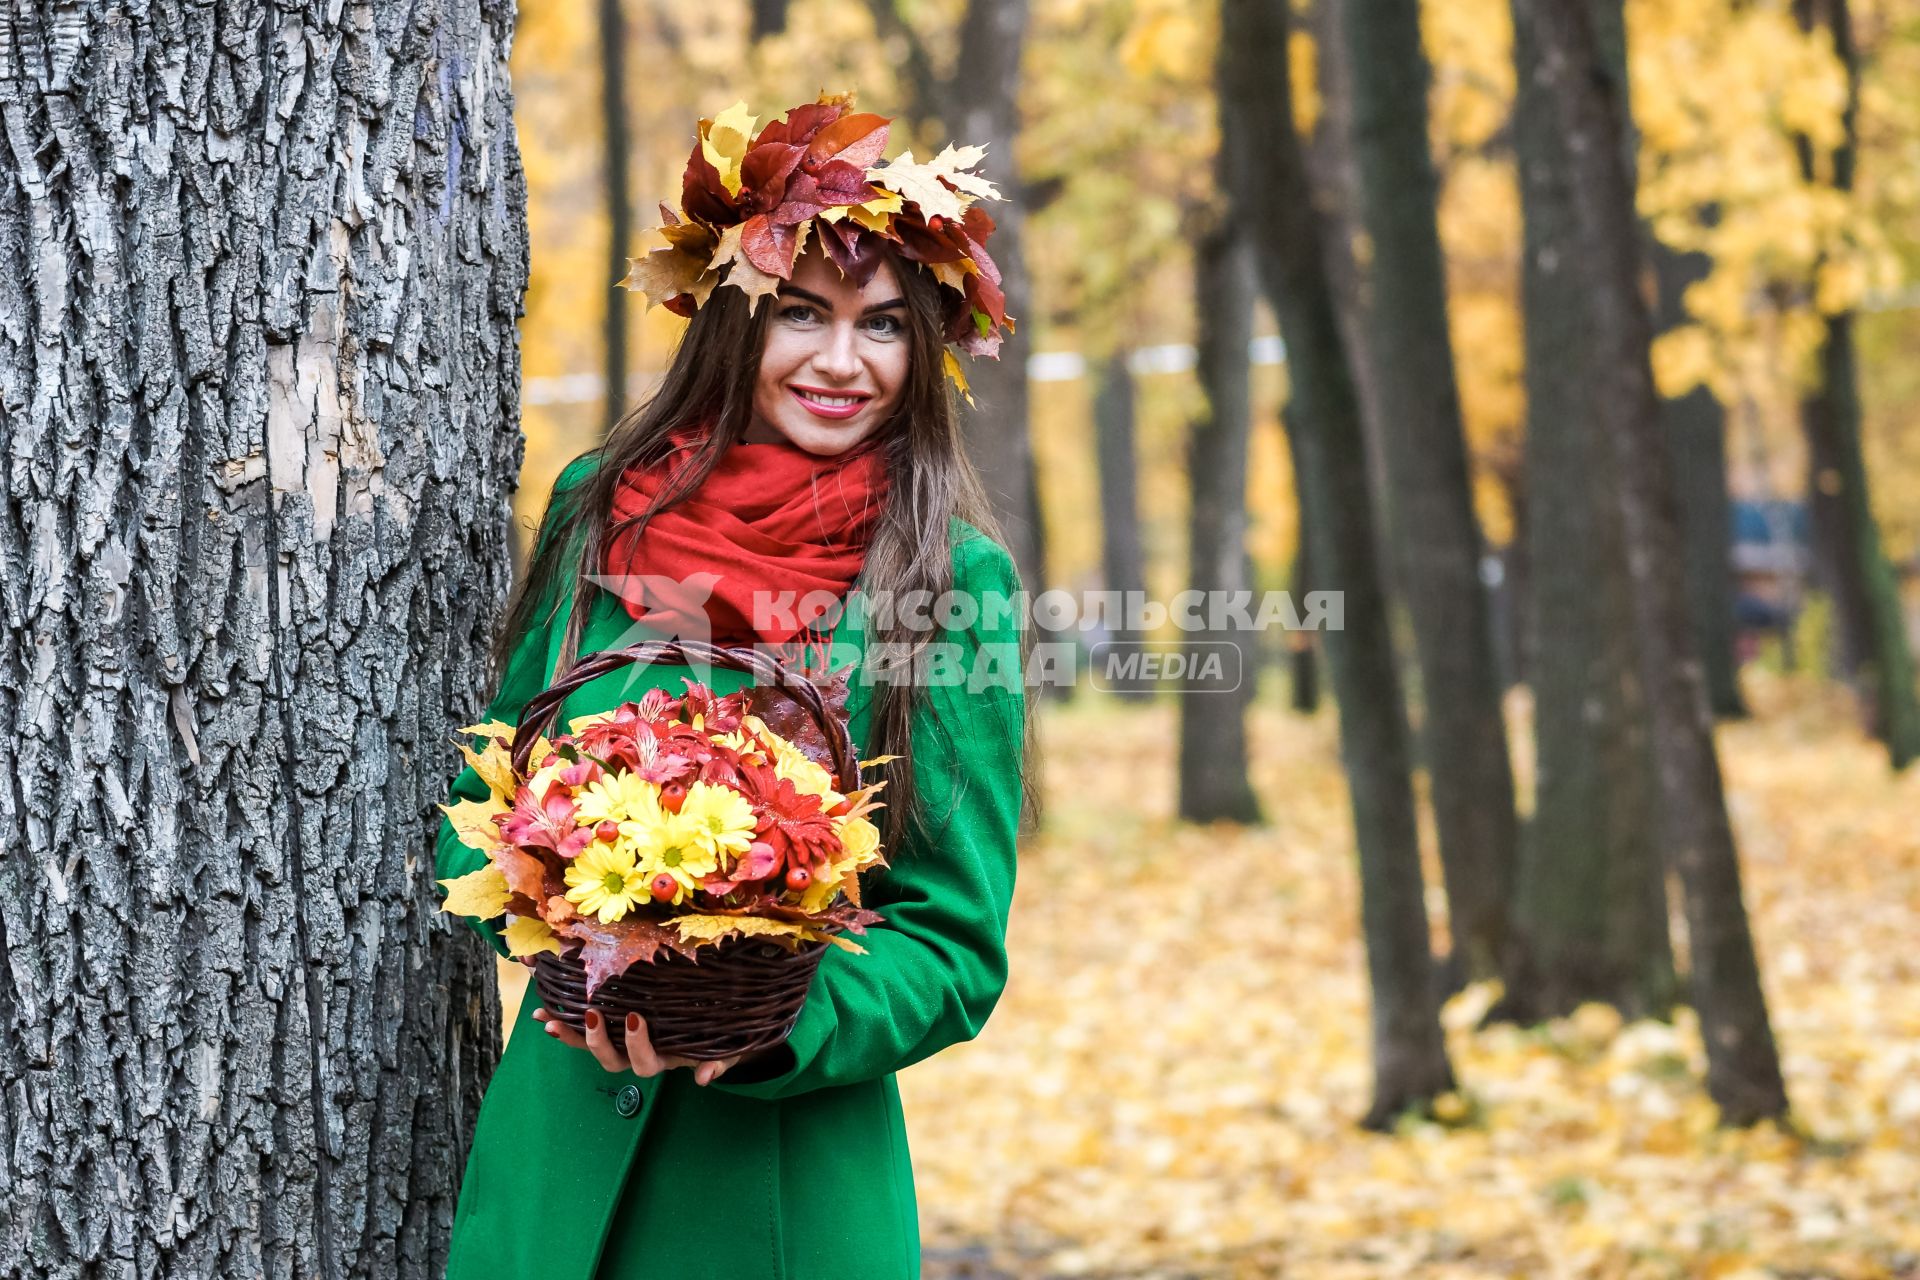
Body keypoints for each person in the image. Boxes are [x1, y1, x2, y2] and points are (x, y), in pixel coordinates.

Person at [433, 92, 1037, 1279]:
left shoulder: (949, 575)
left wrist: (766, 1019)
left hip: (774, 1189)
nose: (839, 361)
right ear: (733, 320)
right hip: (550, 1174)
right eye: (801, 315)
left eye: (883, 327)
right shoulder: (601, 502)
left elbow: (955, 941)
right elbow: (493, 768)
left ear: (924, 351)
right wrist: (539, 890)